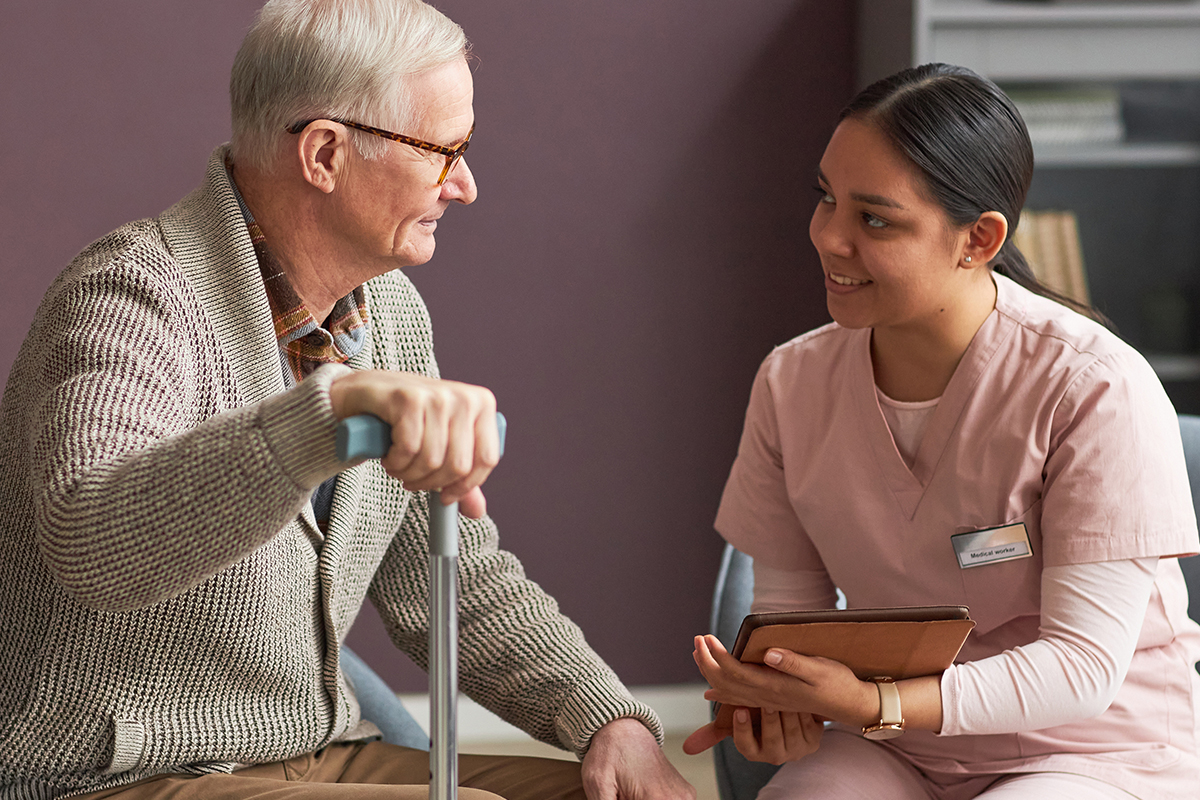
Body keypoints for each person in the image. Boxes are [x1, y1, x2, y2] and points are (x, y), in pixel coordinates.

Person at [0, 2, 695, 799]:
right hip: (115, 771)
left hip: (314, 750)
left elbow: (449, 576)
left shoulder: (388, 312)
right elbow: (91, 541)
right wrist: (324, 416)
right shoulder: (131, 295)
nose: (466, 186)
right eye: (444, 151)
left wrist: (606, 717)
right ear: (326, 153)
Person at [682, 63, 1200, 799]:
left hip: (1093, 749)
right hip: (900, 749)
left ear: (978, 238)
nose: (829, 237)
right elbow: (793, 627)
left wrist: (873, 703)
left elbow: (1082, 668)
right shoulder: (790, 382)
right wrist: (782, 699)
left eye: (874, 219)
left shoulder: (1095, 387)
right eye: (826, 198)